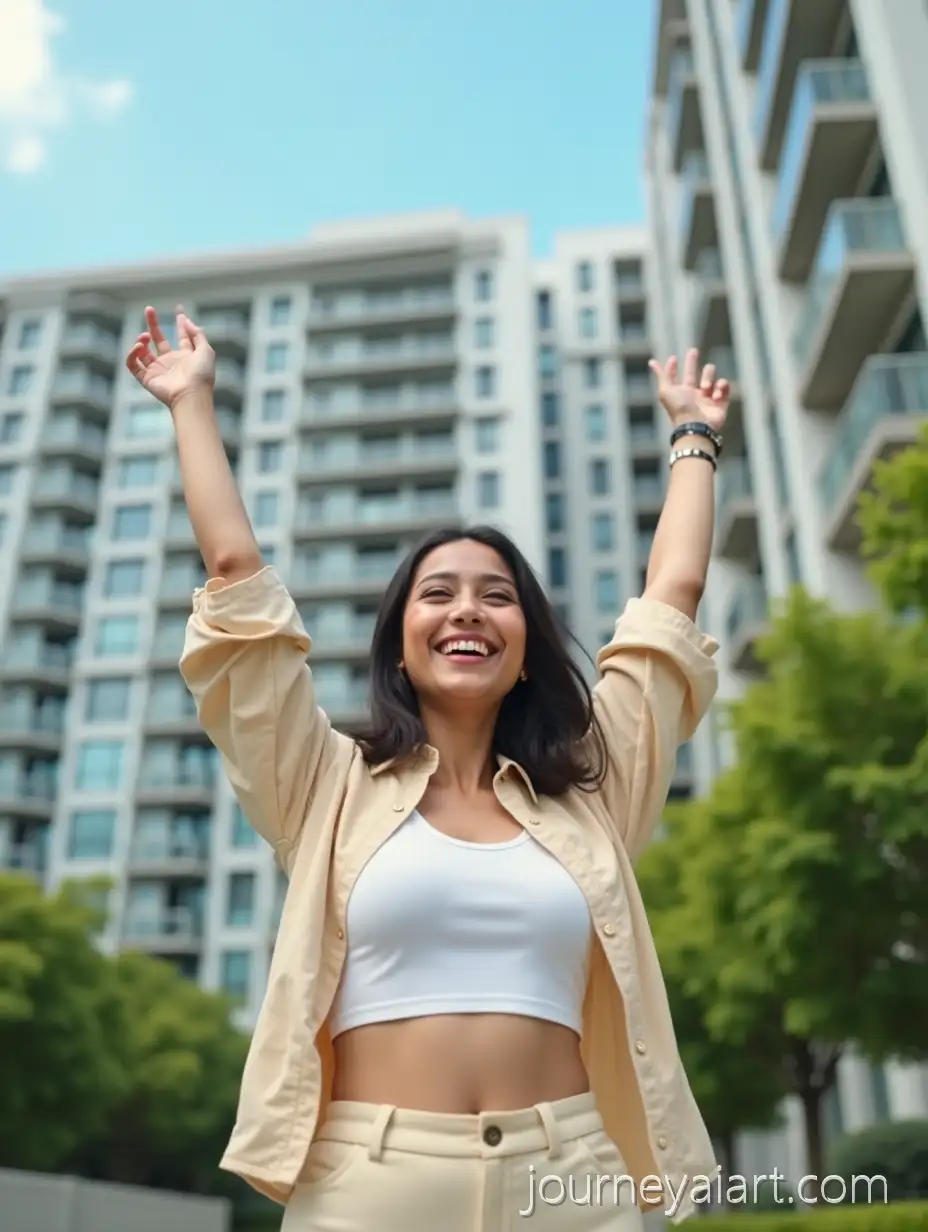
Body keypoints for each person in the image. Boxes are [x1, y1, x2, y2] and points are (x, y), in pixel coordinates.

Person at [126, 306, 728, 1230]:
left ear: (525, 648)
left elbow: (667, 607)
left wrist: (693, 435)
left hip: (571, 1180)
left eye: (497, 597)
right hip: (368, 1186)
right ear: (399, 648)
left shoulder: (594, 793)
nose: (467, 612)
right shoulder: (324, 786)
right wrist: (190, 402)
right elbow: (236, 580)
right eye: (437, 594)